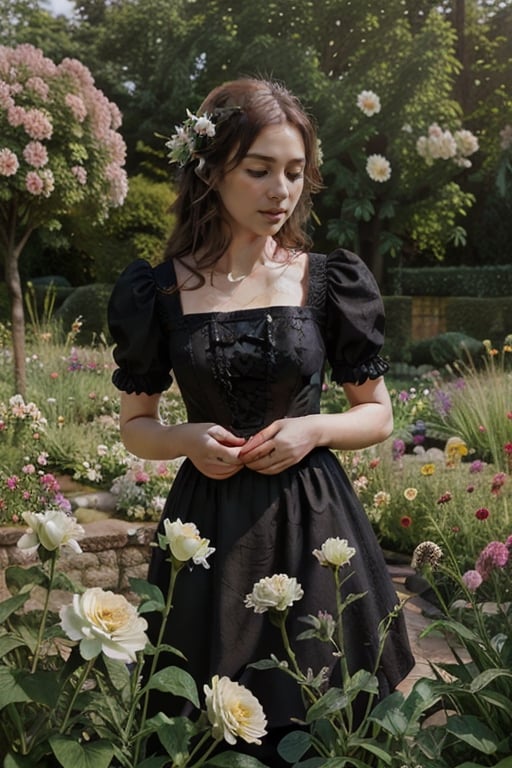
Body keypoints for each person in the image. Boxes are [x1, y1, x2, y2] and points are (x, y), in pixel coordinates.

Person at [107, 77, 414, 764]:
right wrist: (184, 438)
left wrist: (314, 428)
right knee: (203, 728)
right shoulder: (156, 290)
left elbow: (378, 413)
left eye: (296, 173)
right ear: (212, 171)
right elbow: (137, 426)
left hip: (314, 526)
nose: (282, 190)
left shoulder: (329, 281)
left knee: (324, 722)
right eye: (261, 170)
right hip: (206, 533)